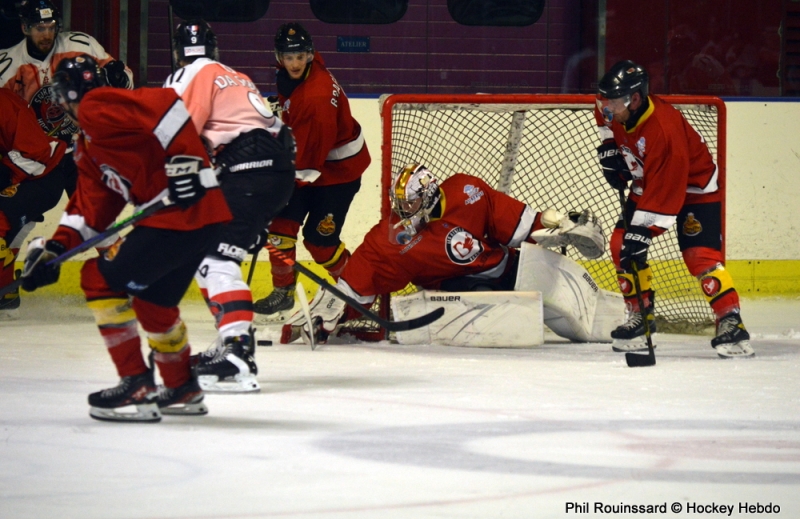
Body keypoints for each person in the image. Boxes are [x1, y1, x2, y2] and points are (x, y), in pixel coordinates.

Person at [20, 55, 232, 422]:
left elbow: (167, 105)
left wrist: (186, 161)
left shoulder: (96, 106)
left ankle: (135, 385)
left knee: (98, 280)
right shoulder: (89, 146)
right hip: (203, 219)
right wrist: (55, 248)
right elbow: (90, 211)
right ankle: (181, 386)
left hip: (178, 217)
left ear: (68, 93)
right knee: (153, 304)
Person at [280, 163, 607, 345]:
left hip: (508, 268)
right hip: (456, 292)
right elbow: (361, 278)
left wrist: (558, 226)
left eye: (408, 204)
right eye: (400, 205)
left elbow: (519, 226)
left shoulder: (467, 190)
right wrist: (337, 305)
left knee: (581, 319)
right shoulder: (394, 237)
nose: (402, 211)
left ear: (428, 196)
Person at [163, 19, 296, 393]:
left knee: (214, 262)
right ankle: (231, 343)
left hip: (244, 168)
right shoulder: (236, 76)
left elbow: (181, 137)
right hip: (274, 170)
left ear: (177, 51)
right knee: (212, 256)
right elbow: (282, 135)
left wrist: (169, 190)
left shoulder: (183, 77)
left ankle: (237, 354)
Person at [594, 59, 754, 358]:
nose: (606, 107)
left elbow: (666, 189)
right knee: (621, 245)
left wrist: (642, 232)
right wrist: (609, 148)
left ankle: (731, 320)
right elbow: (604, 119)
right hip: (650, 181)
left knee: (699, 256)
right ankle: (640, 317)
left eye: (613, 102)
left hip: (694, 188)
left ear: (636, 99)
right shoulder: (614, 107)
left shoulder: (664, 131)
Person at [252, 22, 370, 319]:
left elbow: (305, 166)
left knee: (320, 243)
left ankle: (362, 295)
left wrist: (269, 193)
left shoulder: (315, 101)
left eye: (299, 57)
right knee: (280, 227)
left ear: (310, 54)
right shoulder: (305, 70)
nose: (294, 63)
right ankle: (283, 293)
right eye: (288, 57)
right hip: (315, 159)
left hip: (337, 174)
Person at [0, 0, 133, 196]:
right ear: (25, 28)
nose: (46, 35)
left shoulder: (81, 45)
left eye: (51, 27)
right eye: (39, 28)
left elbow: (126, 83)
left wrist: (120, 79)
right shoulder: (8, 66)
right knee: (21, 216)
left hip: (82, 148)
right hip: (38, 154)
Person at [0, 87, 69, 311]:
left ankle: (4, 290)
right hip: (18, 176)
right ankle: (7, 291)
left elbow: (37, 154)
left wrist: (7, 177)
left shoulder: (6, 105)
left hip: (41, 177)